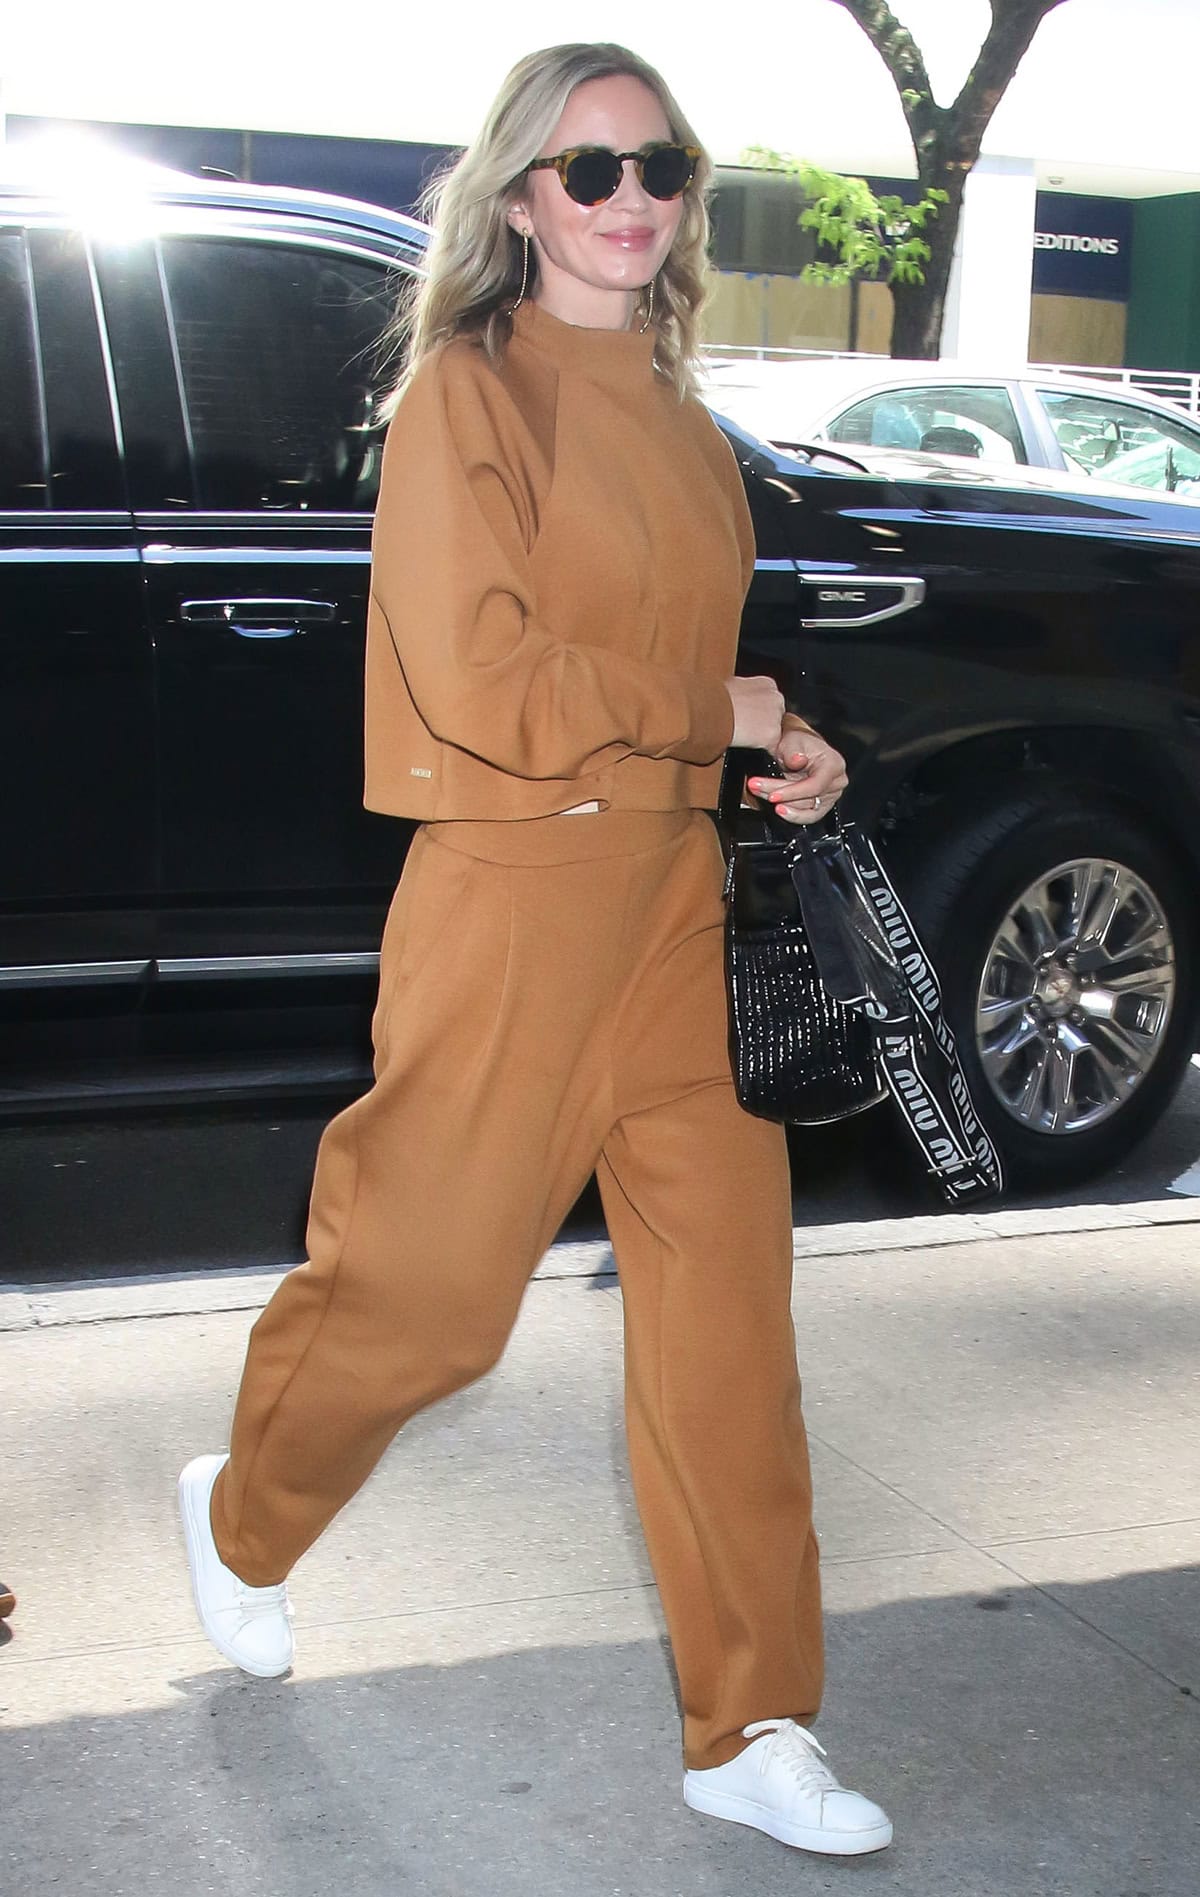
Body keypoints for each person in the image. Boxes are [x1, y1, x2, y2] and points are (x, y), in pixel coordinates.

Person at [178, 41, 891, 1859]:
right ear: (517, 200)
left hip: (671, 909)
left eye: (659, 167)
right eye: (588, 174)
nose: (632, 200)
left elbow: (683, 687)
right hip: (510, 904)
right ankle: (244, 1511)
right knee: (427, 1301)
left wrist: (774, 746)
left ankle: (753, 1720)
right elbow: (484, 680)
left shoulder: (673, 402)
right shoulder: (468, 397)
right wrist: (707, 703)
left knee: (731, 1328)